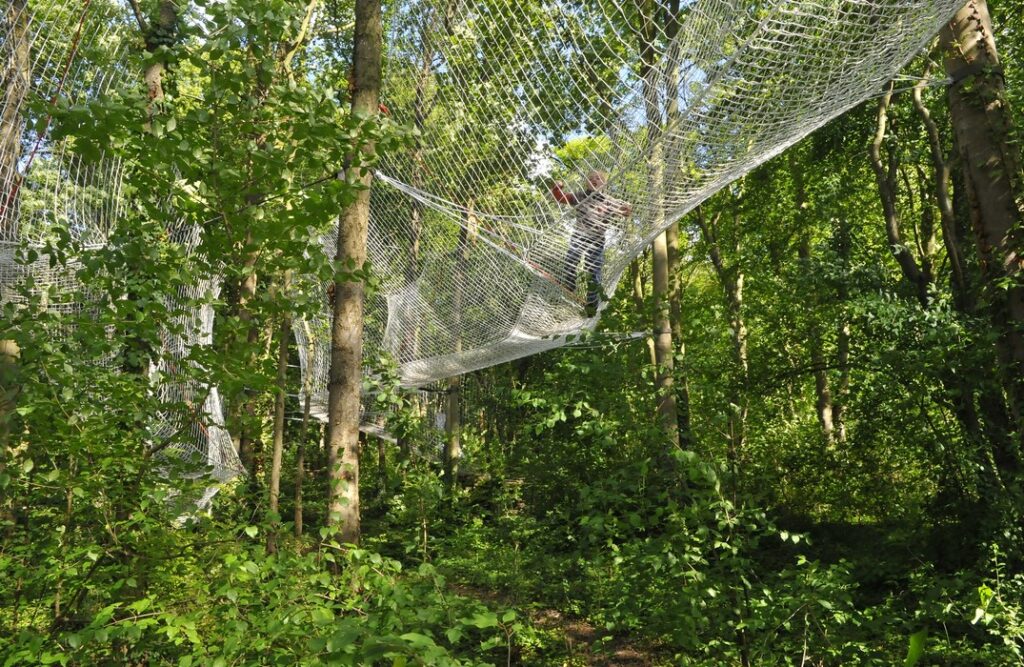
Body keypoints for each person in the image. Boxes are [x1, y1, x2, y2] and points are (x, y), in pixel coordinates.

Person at [551, 170, 632, 314]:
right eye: (591, 178)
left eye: (599, 178)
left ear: (605, 184)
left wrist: (626, 209)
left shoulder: (608, 201)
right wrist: (557, 188)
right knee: (570, 260)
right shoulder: (580, 196)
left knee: (594, 272)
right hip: (579, 236)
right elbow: (560, 198)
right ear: (586, 182)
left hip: (596, 241)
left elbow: (624, 212)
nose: (595, 179)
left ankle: (592, 304)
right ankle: (569, 284)